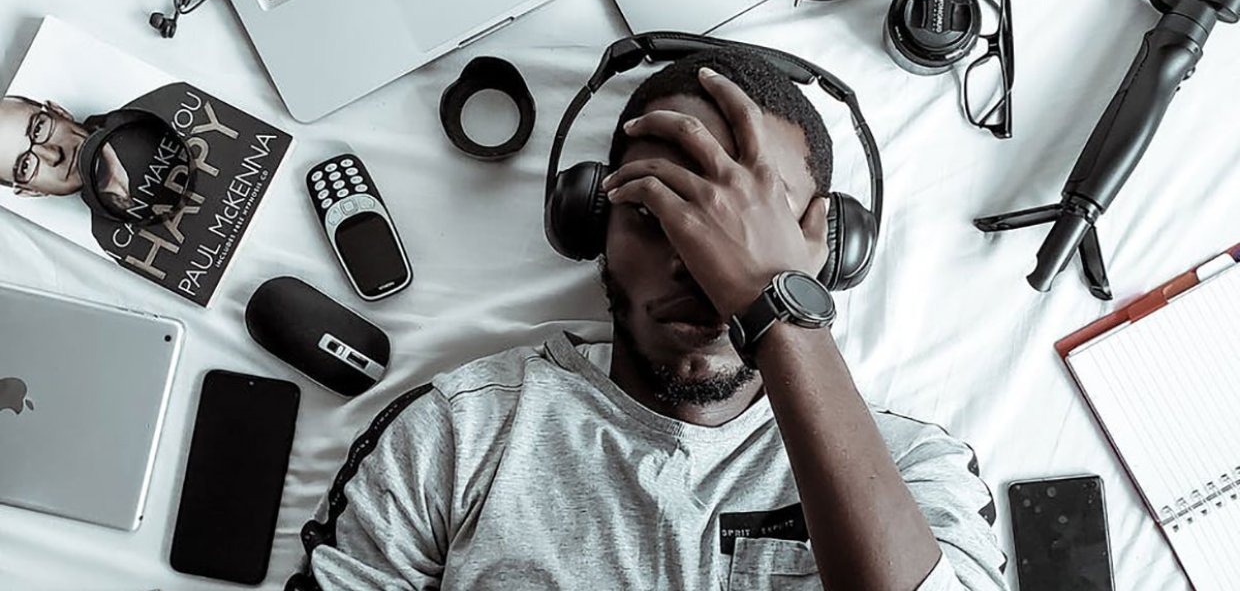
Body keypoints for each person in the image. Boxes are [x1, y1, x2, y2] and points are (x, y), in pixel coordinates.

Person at [294, 48, 1007, 590]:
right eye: (658, 212)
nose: (702, 266)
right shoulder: (457, 433)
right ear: (590, 227)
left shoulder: (915, 472)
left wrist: (774, 304)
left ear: (831, 247)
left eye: (751, 226)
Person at [0, 95, 133, 215]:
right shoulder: (106, 236)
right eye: (25, 166)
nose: (54, 156)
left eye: (38, 129)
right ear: (30, 191)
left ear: (58, 111)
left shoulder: (142, 115)